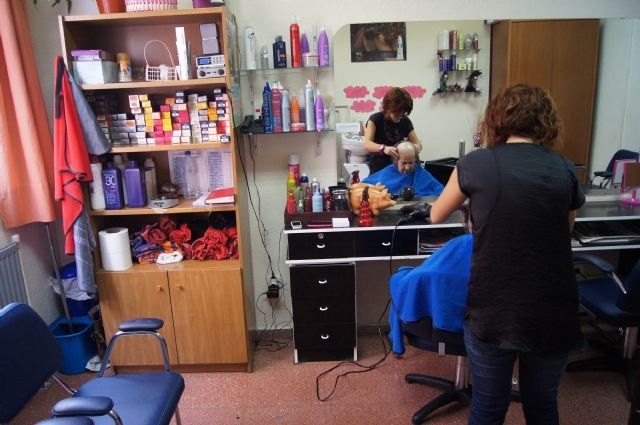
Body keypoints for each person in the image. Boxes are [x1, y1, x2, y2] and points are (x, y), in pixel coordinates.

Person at [429, 84, 586, 425]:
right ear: (546, 121)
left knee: (488, 406)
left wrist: (474, 210)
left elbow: (436, 214)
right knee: (543, 406)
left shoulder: (475, 163)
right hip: (552, 308)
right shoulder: (563, 167)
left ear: (496, 119)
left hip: (495, 308)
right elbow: (566, 227)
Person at [388, 205, 471, 355]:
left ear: (467, 219)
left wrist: (402, 275)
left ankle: (397, 342)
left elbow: (421, 276)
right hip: (489, 327)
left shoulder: (460, 245)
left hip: (441, 327)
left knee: (399, 279)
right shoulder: (502, 249)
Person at [363, 87, 422, 174]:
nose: (400, 116)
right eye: (397, 113)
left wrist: (416, 148)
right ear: (388, 107)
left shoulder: (405, 121)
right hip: (379, 169)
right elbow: (367, 144)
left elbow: (417, 143)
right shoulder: (375, 119)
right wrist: (384, 148)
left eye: (403, 113)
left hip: (400, 169)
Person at [362, 141, 443, 197]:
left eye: (411, 163)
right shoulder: (388, 172)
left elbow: (440, 191)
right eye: (404, 163)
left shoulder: (420, 172)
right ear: (396, 161)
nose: (407, 167)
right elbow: (364, 185)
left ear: (415, 160)